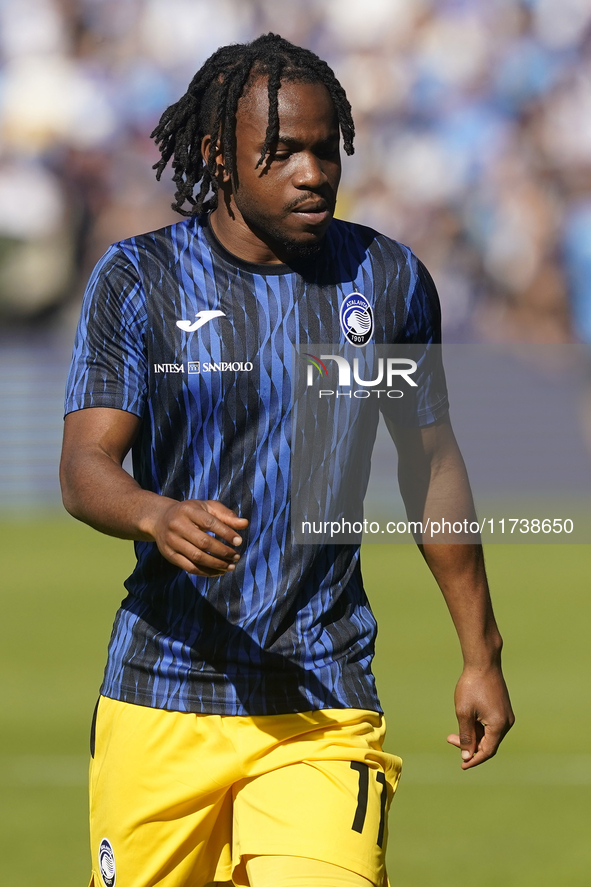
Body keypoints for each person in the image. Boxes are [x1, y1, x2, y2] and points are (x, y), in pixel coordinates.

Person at [60, 33, 514, 887]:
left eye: (324, 148)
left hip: (321, 696)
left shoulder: (385, 280)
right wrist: (155, 512)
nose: (312, 171)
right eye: (281, 152)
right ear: (217, 156)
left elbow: (430, 466)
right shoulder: (138, 280)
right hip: (160, 696)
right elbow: (85, 465)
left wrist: (480, 651)